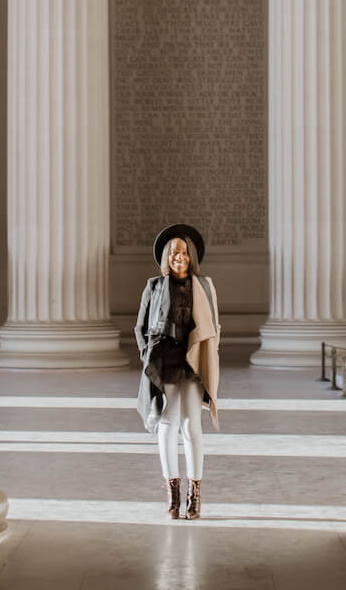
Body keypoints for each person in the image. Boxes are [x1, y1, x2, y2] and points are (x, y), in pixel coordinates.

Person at [135, 223, 221, 520]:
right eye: (173, 252)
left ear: (191, 256)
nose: (178, 257)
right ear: (166, 258)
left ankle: (194, 495)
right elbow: (141, 327)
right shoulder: (154, 286)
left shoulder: (204, 286)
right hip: (165, 361)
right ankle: (173, 492)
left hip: (192, 362)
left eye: (183, 252)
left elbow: (214, 327)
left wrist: (209, 358)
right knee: (167, 425)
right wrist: (147, 356)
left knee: (191, 426)